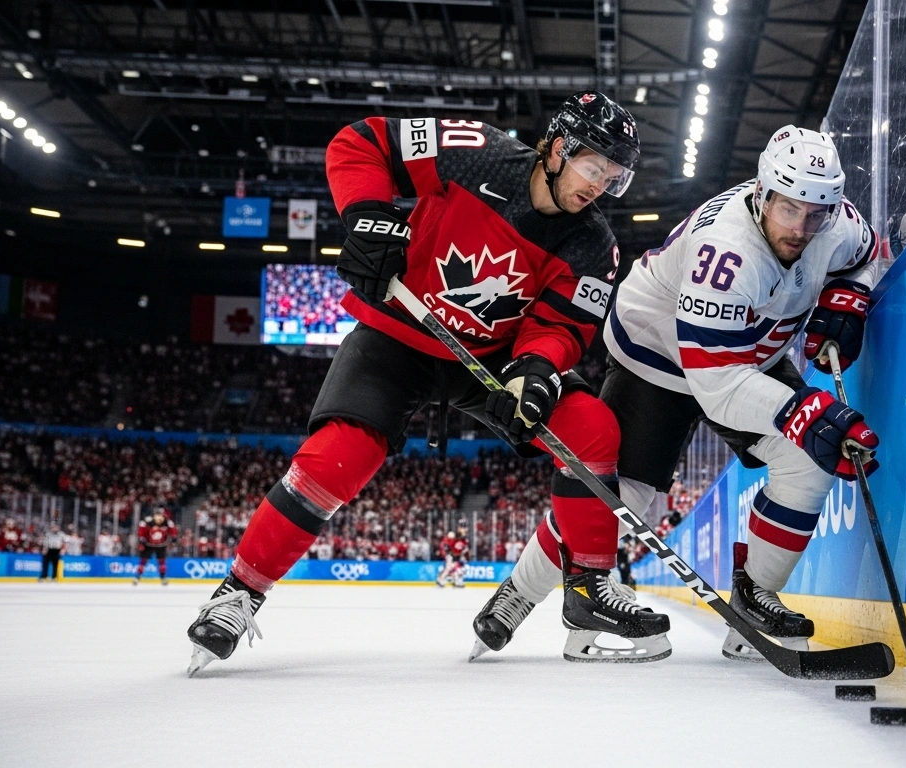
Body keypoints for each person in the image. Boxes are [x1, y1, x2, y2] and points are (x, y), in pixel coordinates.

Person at [185, 92, 670, 675]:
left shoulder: (595, 245)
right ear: (561, 148)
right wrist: (367, 213)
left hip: (486, 365)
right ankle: (238, 592)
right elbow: (362, 141)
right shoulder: (475, 153)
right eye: (596, 168)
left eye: (614, 179)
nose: (601, 187)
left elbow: (561, 325)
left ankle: (588, 588)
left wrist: (537, 369)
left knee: (591, 428)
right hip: (398, 337)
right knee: (340, 457)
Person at [503, 125, 882, 660]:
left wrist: (852, 292)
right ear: (762, 194)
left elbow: (872, 252)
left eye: (814, 213)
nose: (801, 228)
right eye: (788, 210)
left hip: (745, 354)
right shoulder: (725, 253)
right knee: (624, 498)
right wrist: (803, 411)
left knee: (806, 460)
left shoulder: (835, 223)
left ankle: (755, 597)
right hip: (657, 354)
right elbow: (720, 389)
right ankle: (518, 595)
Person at [134, 511, 178, 586]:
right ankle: (137, 577)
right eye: (157, 516)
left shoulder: (167, 522)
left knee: (162, 561)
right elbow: (141, 531)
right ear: (154, 516)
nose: (159, 518)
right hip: (148, 544)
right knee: (143, 560)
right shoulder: (147, 522)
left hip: (161, 545)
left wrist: (174, 539)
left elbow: (173, 531)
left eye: (161, 516)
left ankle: (163, 577)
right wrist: (141, 541)